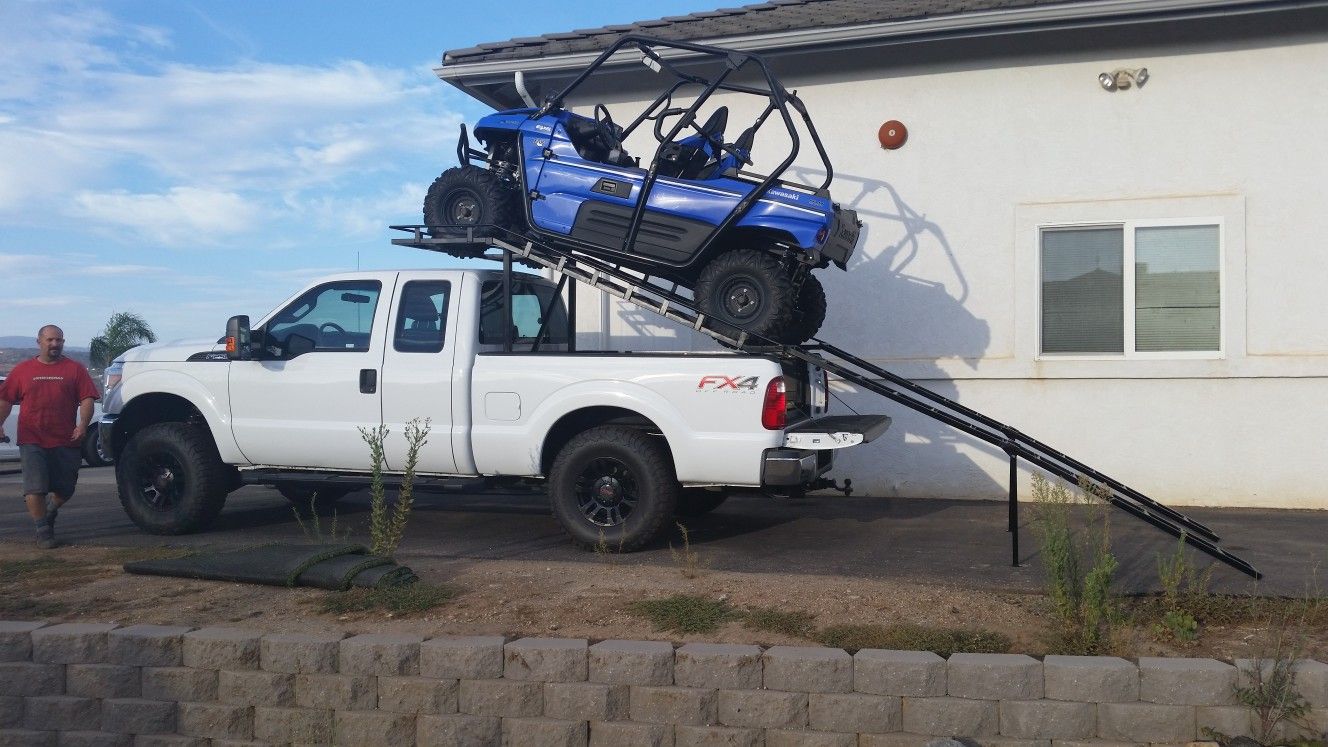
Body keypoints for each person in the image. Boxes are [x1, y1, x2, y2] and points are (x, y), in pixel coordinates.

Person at [0, 325, 100, 549]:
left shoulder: (75, 369)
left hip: (66, 438)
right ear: (39, 341)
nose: (55, 344)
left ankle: (50, 510)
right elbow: (5, 400)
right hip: (32, 437)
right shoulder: (22, 370)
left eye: (59, 340)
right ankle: (42, 531)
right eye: (50, 340)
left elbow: (87, 399)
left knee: (66, 488)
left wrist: (82, 425)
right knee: (35, 487)